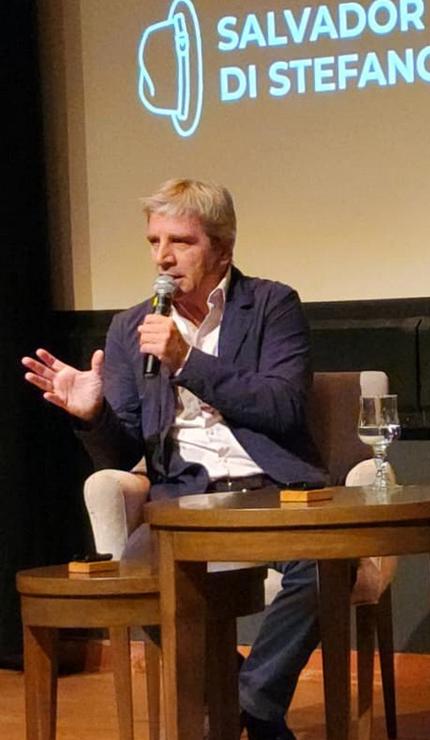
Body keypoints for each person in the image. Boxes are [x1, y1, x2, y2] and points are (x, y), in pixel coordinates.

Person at [22, 178, 326, 740]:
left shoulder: (271, 305)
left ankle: (250, 705)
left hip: (271, 490)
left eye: (181, 241)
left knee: (325, 564)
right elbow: (124, 449)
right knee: (131, 577)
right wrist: (90, 414)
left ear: (222, 248)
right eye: (154, 240)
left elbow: (283, 406)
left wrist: (187, 360)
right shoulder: (130, 327)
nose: (163, 256)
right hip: (184, 498)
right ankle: (251, 705)